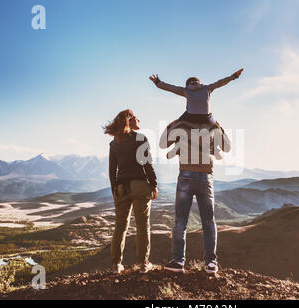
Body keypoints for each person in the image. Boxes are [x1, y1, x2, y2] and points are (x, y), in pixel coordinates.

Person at [159, 117, 231, 274]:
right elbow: (227, 147)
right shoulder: (212, 124)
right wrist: (219, 126)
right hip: (206, 176)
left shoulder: (181, 123)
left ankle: (178, 262)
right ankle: (211, 263)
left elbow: (163, 143)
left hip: (186, 175)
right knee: (208, 220)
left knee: (180, 221)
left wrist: (173, 123)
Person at [104, 109, 159, 274]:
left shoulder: (114, 143)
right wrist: (154, 184)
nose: (140, 120)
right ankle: (143, 263)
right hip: (140, 185)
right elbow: (147, 164)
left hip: (121, 187)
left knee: (120, 226)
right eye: (136, 118)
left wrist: (114, 188)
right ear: (130, 121)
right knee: (142, 225)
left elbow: (112, 169)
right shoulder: (140, 139)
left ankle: (116, 265)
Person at [149, 68, 244, 124]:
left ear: (187, 84)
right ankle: (221, 143)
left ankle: (170, 141)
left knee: (176, 123)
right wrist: (234, 76)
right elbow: (221, 82)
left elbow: (170, 87)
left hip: (190, 116)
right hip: (205, 117)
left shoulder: (185, 90)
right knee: (217, 125)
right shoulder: (208, 88)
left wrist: (157, 82)